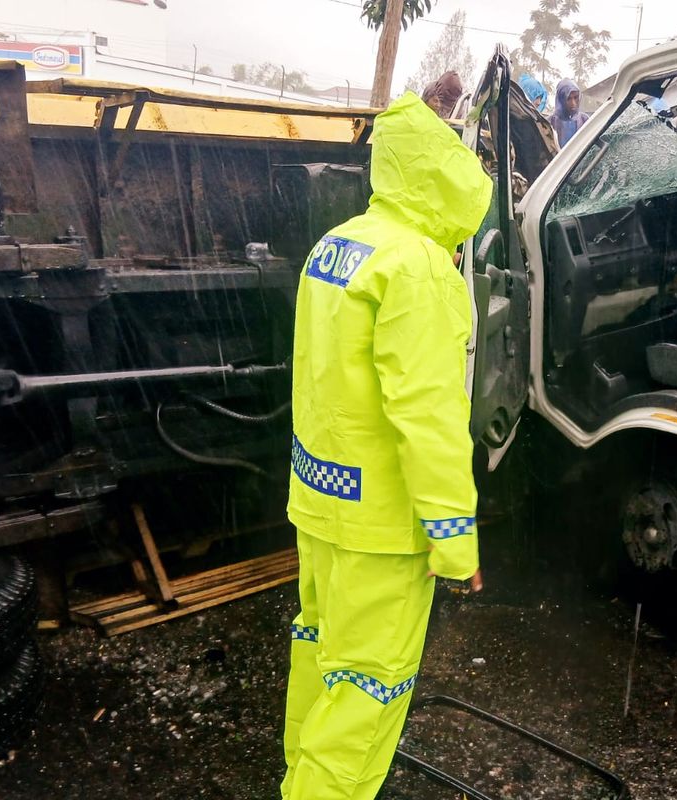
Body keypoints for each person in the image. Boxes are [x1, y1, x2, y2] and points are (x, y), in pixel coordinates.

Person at [281, 92, 490, 800]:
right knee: (369, 689)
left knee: (320, 655)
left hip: (320, 500)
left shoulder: (337, 245)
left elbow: (321, 378)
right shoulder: (422, 268)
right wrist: (454, 538)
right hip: (381, 524)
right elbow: (428, 416)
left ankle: (299, 781)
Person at [551, 78, 590, 146]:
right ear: (561, 100)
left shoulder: (584, 120)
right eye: (568, 98)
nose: (573, 103)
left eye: (576, 97)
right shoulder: (550, 122)